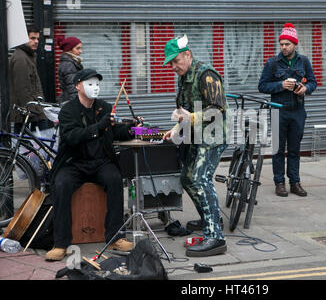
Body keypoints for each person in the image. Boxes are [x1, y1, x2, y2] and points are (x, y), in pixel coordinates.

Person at [45, 68, 140, 261]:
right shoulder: (68, 111)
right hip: (74, 163)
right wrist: (99, 126)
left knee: (114, 179)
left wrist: (132, 127)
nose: (95, 88)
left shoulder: (104, 107)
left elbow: (114, 131)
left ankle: (115, 236)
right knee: (61, 185)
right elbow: (72, 137)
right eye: (90, 84)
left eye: (97, 84)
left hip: (100, 162)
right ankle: (61, 242)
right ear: (78, 86)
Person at [162, 35, 228, 257]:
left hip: (212, 137)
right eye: (170, 63)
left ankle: (215, 237)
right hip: (194, 136)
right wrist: (175, 131)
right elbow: (186, 113)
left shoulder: (206, 75)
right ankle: (209, 217)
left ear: (187, 55)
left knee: (200, 179)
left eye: (175, 61)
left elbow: (218, 111)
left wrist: (189, 118)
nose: (173, 67)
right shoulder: (184, 76)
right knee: (187, 179)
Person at [258, 23, 317, 197]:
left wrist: (305, 89)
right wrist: (281, 85)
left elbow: (313, 82)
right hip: (278, 110)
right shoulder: (273, 63)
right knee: (278, 149)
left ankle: (295, 182)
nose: (284, 47)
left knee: (294, 148)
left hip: (298, 110)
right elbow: (262, 86)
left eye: (287, 44)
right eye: (282, 44)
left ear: (294, 44)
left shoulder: (304, 61)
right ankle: (279, 182)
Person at [8, 25, 50, 133]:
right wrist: (35, 112)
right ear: (23, 38)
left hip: (31, 110)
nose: (36, 41)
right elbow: (23, 89)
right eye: (32, 38)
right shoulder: (21, 58)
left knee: (28, 145)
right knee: (39, 144)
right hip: (28, 112)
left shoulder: (27, 56)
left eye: (37, 39)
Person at [56, 36, 83, 102]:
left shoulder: (71, 62)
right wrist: (76, 104)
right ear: (69, 49)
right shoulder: (69, 64)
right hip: (70, 100)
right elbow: (72, 87)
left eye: (81, 48)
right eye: (77, 48)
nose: (80, 51)